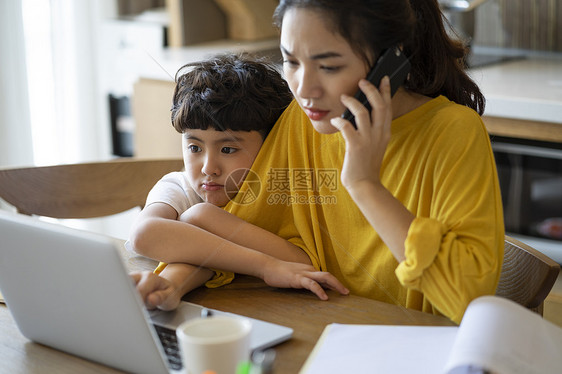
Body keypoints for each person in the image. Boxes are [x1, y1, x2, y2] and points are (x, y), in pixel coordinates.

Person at [135, 0, 504, 324]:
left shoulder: (453, 132)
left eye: (328, 66)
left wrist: (365, 185)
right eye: (291, 62)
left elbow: (465, 300)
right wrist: (172, 283)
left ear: (391, 59)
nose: (304, 89)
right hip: (322, 325)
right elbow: (229, 233)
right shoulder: (306, 119)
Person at [130, 53, 349, 310]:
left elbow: (303, 265)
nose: (208, 168)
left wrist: (203, 220)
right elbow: (144, 235)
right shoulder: (180, 187)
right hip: (237, 311)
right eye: (194, 147)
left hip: (295, 311)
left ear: (271, 148)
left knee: (199, 216)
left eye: (227, 150)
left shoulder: (283, 192)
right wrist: (171, 285)